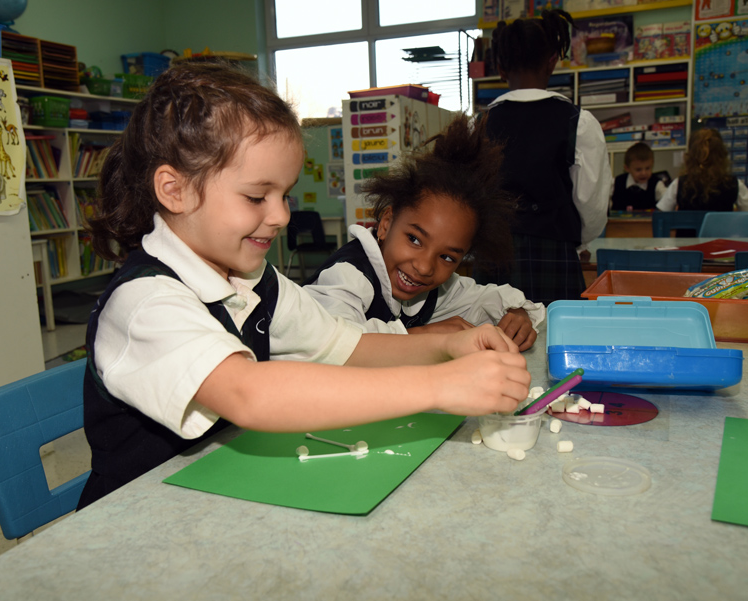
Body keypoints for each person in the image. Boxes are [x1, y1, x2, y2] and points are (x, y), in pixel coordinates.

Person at [77, 63, 531, 509]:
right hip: (133, 521)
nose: (281, 216)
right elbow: (249, 394)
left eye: (284, 195)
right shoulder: (144, 303)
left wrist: (448, 346)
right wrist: (439, 384)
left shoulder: (254, 279)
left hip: (213, 498)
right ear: (175, 190)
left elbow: (347, 346)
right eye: (257, 196)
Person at [303, 115, 545, 351]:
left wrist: (517, 314)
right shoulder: (347, 277)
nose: (425, 267)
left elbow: (485, 299)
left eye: (447, 257)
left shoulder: (433, 290)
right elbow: (333, 345)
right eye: (415, 239)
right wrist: (428, 335)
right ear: (386, 223)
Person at [474, 9, 612, 306]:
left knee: (488, 332)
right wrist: (576, 241)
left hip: (493, 255)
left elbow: (470, 199)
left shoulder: (478, 126)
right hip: (555, 252)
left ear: (500, 68)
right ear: (552, 62)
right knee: (557, 331)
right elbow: (593, 205)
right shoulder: (580, 122)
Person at [656, 128, 748, 212]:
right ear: (722, 156)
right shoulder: (734, 184)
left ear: (690, 156)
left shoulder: (679, 184)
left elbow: (662, 213)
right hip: (720, 231)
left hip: (689, 232)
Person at [610, 142, 668, 212]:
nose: (644, 173)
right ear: (627, 168)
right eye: (638, 169)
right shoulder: (616, 183)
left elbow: (668, 202)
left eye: (648, 168)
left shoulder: (656, 184)